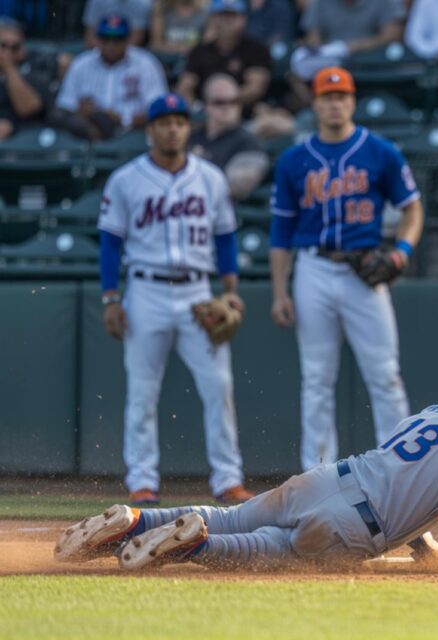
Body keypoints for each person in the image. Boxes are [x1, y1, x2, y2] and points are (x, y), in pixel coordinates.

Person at [54, 368, 438, 573]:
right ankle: (193, 547)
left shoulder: (434, 414)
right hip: (355, 524)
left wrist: (426, 548)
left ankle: (136, 524)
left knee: (231, 515)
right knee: (270, 553)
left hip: (326, 479)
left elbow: (412, 483)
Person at [96, 93, 253, 506]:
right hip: (145, 290)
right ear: (150, 129)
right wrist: (111, 297)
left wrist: (231, 292)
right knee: (142, 391)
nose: (172, 128)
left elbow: (225, 239)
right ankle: (142, 480)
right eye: (164, 122)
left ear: (188, 127)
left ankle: (228, 480)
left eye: (180, 121)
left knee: (218, 385)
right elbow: (110, 244)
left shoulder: (210, 178)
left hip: (198, 292)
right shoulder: (126, 179)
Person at [269, 67, 425, 471]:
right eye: (327, 96)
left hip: (364, 269)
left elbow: (413, 208)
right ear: (315, 103)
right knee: (317, 379)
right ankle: (318, 474)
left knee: (385, 375)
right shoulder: (294, 160)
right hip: (313, 268)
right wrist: (280, 292)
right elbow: (281, 231)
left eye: (341, 96)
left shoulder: (380, 151)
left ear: (352, 101)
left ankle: (399, 470)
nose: (335, 103)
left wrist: (401, 252)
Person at [54, 15, 167, 141]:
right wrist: (82, 113)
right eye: (105, 38)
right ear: (97, 39)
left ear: (128, 39)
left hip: (133, 135)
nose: (111, 45)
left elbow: (159, 110)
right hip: (88, 135)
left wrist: (123, 119)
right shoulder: (80, 64)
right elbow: (64, 108)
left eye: (117, 39)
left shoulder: (146, 63)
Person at [175, 0, 271, 114]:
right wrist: (195, 108)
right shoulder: (200, 51)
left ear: (244, 18)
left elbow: (254, 89)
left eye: (233, 15)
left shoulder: (256, 50)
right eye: (222, 15)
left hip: (244, 113)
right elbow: (185, 87)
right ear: (213, 19)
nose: (227, 20)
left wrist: (220, 103)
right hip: (205, 113)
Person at [188, 74, 269, 200]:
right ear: (205, 106)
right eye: (219, 102)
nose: (228, 107)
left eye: (234, 101)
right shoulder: (191, 137)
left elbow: (235, 188)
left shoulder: (248, 142)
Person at [0, 17, 47, 139]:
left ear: (23, 49)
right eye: (3, 45)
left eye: (15, 47)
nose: (8, 52)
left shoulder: (35, 70)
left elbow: (28, 108)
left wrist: (8, 68)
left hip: (26, 138)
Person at [83, 0, 150, 47]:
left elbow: (136, 39)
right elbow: (90, 36)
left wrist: (117, 52)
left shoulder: (142, 3)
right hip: (99, 47)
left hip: (128, 51)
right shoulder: (97, 1)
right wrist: (102, 52)